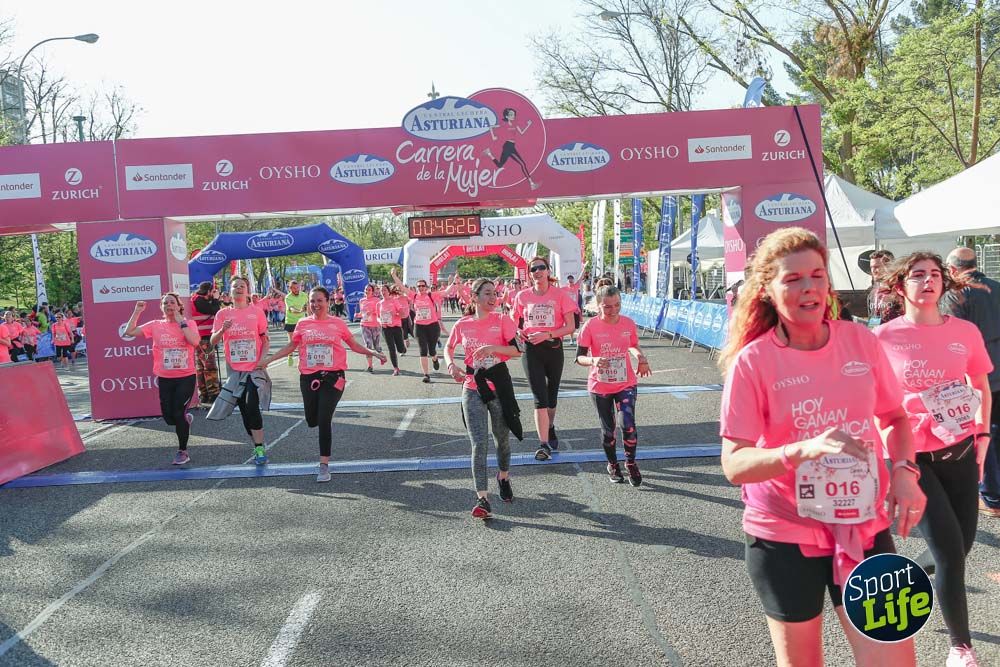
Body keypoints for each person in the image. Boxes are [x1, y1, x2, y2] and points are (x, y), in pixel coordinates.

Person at [718, 227, 924, 667]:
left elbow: (896, 418)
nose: (808, 287)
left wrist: (905, 472)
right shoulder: (754, 361)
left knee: (895, 662)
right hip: (785, 537)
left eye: (816, 275)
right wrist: (800, 450)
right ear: (769, 291)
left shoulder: (861, 342)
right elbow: (734, 464)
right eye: (792, 280)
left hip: (864, 529)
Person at [874, 252, 992, 666]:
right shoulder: (884, 338)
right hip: (913, 458)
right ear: (900, 285)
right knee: (947, 553)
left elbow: (980, 385)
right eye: (918, 275)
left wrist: (982, 435)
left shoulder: (965, 332)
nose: (929, 281)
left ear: (945, 284)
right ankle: (961, 648)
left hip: (960, 450)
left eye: (936, 275)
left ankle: (913, 577)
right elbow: (873, 403)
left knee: (961, 548)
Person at [257, 287, 386, 483]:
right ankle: (318, 421)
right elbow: (292, 346)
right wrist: (269, 360)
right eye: (312, 301)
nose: (316, 305)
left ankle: (324, 465)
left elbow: (353, 345)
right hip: (308, 377)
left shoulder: (337, 323)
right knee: (312, 419)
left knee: (324, 419)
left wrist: (373, 352)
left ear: (328, 302)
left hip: (333, 377)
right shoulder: (302, 323)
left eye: (319, 301)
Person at [444, 278, 521, 519]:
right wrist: (451, 366)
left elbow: (517, 351)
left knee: (501, 439)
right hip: (472, 387)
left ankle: (503, 476)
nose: (492, 297)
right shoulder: (463, 324)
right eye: (487, 293)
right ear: (474, 297)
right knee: (479, 443)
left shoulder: (502, 320)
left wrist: (491, 348)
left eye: (494, 293)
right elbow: (448, 347)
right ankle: (482, 499)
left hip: (498, 386)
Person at [942, 248, 1000, 520]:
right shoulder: (997, 287)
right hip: (994, 371)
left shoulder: (956, 295)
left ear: (953, 269)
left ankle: (992, 496)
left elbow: (952, 340)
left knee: (983, 431)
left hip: (978, 375)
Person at [576, 285, 652, 486]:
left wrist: (641, 358)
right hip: (600, 386)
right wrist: (593, 360)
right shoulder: (590, 326)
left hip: (625, 383)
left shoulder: (628, 323)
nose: (613, 310)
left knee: (628, 425)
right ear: (598, 306)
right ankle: (612, 463)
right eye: (607, 307)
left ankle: (631, 463)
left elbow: (633, 345)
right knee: (609, 431)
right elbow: (579, 357)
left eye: (617, 305)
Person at [512, 256, 578, 461]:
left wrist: (548, 334)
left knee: (551, 396)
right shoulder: (522, 296)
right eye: (533, 269)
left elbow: (570, 327)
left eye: (541, 268)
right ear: (530, 274)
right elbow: (514, 322)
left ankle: (550, 426)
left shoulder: (560, 295)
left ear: (548, 271)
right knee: (539, 398)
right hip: (532, 350)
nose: (538, 272)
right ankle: (543, 444)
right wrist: (518, 332)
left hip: (553, 347)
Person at [124, 294, 201, 465]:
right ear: (161, 307)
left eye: (172, 302)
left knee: (178, 413)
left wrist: (182, 322)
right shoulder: (156, 325)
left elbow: (195, 341)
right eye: (165, 303)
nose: (169, 305)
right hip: (165, 377)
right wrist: (137, 311)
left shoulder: (188, 323)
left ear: (179, 306)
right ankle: (185, 421)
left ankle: (183, 451)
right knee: (169, 418)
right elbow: (128, 332)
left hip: (185, 376)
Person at [210, 276, 271, 465]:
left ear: (247, 290)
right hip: (234, 370)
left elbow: (265, 339)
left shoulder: (257, 312)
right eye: (235, 286)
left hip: (254, 368)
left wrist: (262, 360)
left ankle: (260, 449)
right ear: (230, 290)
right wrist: (222, 330)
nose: (238, 289)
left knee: (252, 405)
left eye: (242, 286)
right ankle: (256, 442)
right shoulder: (222, 315)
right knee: (245, 411)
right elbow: (213, 342)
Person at [483, 107, 540, 190]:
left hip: (511, 146)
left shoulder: (515, 124)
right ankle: (532, 184)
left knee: (500, 165)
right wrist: (493, 136)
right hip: (508, 146)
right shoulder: (503, 124)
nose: (513, 116)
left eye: (513, 114)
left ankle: (489, 153)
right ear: (506, 116)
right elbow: (491, 127)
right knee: (522, 164)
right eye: (511, 114)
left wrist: (528, 125)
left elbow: (522, 132)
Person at [190, 282, 222, 406]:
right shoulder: (199, 300)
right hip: (204, 339)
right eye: (212, 291)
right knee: (210, 367)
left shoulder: (195, 299)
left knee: (201, 368)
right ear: (208, 291)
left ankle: (204, 394)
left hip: (200, 338)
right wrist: (215, 300)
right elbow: (215, 311)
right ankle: (213, 394)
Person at [354, 283, 385, 373]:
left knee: (377, 346)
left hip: (375, 325)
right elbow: (362, 313)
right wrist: (358, 315)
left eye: (369, 290)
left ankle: (382, 356)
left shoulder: (377, 300)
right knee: (368, 345)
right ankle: (370, 366)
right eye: (366, 290)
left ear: (372, 291)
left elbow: (380, 312)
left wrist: (372, 312)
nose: (367, 291)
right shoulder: (362, 301)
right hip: (364, 325)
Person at [866, 249, 902, 324]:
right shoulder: (872, 291)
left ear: (889, 266)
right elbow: (873, 318)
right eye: (871, 267)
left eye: (877, 267)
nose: (873, 271)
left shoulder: (900, 290)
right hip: (878, 333)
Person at [379, 284, 407, 376]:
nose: (383, 292)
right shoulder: (379, 304)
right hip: (386, 329)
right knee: (391, 348)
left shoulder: (395, 301)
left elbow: (403, 314)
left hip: (396, 327)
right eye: (381, 291)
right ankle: (395, 368)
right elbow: (377, 317)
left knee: (400, 349)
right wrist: (381, 322)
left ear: (389, 291)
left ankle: (403, 349)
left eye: (385, 290)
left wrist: (395, 313)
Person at [284, 280, 308, 367]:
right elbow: (291, 309)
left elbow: (308, 306)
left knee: (302, 341)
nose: (296, 289)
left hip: (302, 321)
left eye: (298, 287)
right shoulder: (288, 297)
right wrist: (300, 311)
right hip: (291, 321)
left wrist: (311, 317)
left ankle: (301, 359)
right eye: (294, 288)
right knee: (292, 341)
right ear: (290, 289)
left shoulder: (304, 295)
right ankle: (290, 356)